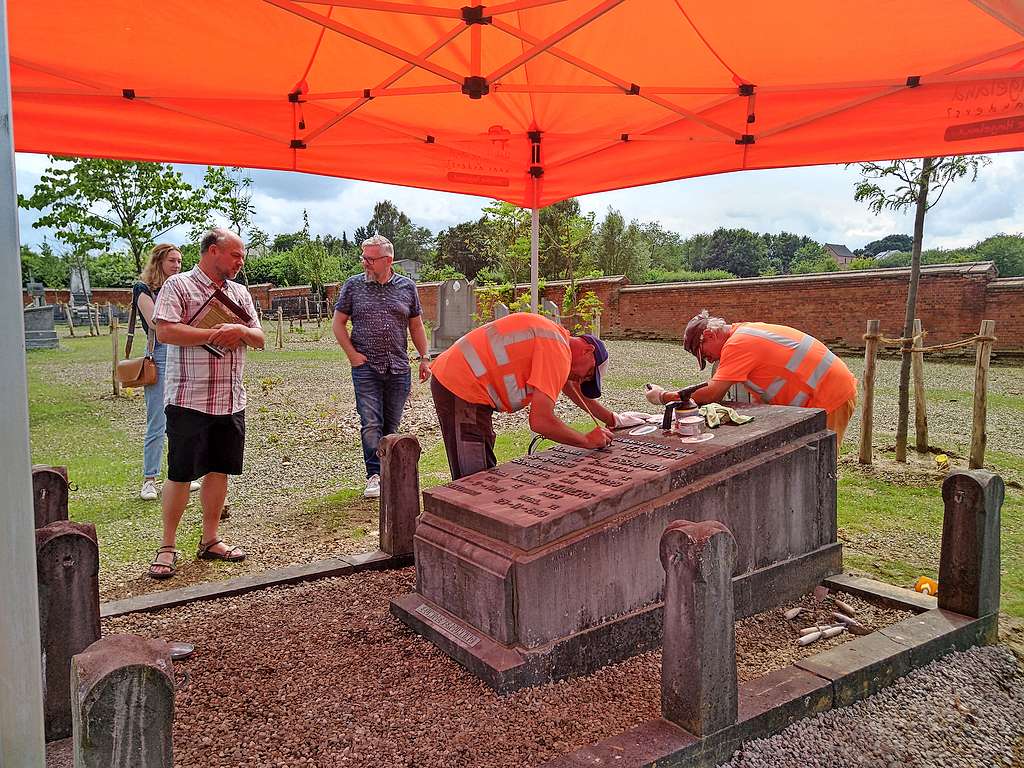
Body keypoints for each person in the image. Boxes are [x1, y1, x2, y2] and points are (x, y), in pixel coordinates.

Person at [146, 228, 265, 579]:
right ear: (213, 251)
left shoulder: (241, 293)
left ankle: (210, 539)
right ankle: (167, 545)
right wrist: (216, 333)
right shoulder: (178, 286)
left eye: (242, 257)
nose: (240, 263)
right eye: (235, 256)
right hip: (189, 397)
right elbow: (166, 331)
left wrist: (240, 331)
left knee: (220, 470)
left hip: (230, 399)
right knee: (180, 473)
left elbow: (258, 338)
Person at [429, 312, 633, 480]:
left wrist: (612, 419)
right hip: (461, 385)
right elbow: (540, 421)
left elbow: (573, 388)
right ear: (588, 350)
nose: (581, 379)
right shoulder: (558, 351)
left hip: (460, 381)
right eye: (588, 374)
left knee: (481, 470)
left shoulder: (554, 339)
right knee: (474, 482)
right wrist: (586, 440)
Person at [646, 310, 858, 444]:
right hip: (827, 392)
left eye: (704, 353)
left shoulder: (738, 344)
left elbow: (712, 393)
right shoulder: (743, 332)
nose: (709, 361)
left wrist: (664, 396)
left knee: (820, 464)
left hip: (830, 396)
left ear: (710, 335)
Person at [332, 234, 430, 498]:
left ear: (388, 260)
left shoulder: (407, 287)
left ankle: (389, 472)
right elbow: (338, 323)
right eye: (363, 257)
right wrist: (352, 355)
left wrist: (424, 357)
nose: (365, 263)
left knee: (392, 425)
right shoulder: (353, 286)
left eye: (370, 259)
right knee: (370, 422)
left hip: (398, 367)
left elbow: (416, 325)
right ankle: (374, 475)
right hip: (366, 367)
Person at [132, 244, 201, 501]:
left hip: (182, 351)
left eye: (180, 262)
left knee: (183, 417)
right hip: (160, 354)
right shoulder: (143, 289)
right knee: (157, 421)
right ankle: (149, 479)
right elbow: (156, 321)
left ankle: (182, 474)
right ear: (159, 262)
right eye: (172, 261)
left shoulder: (180, 287)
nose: (177, 266)